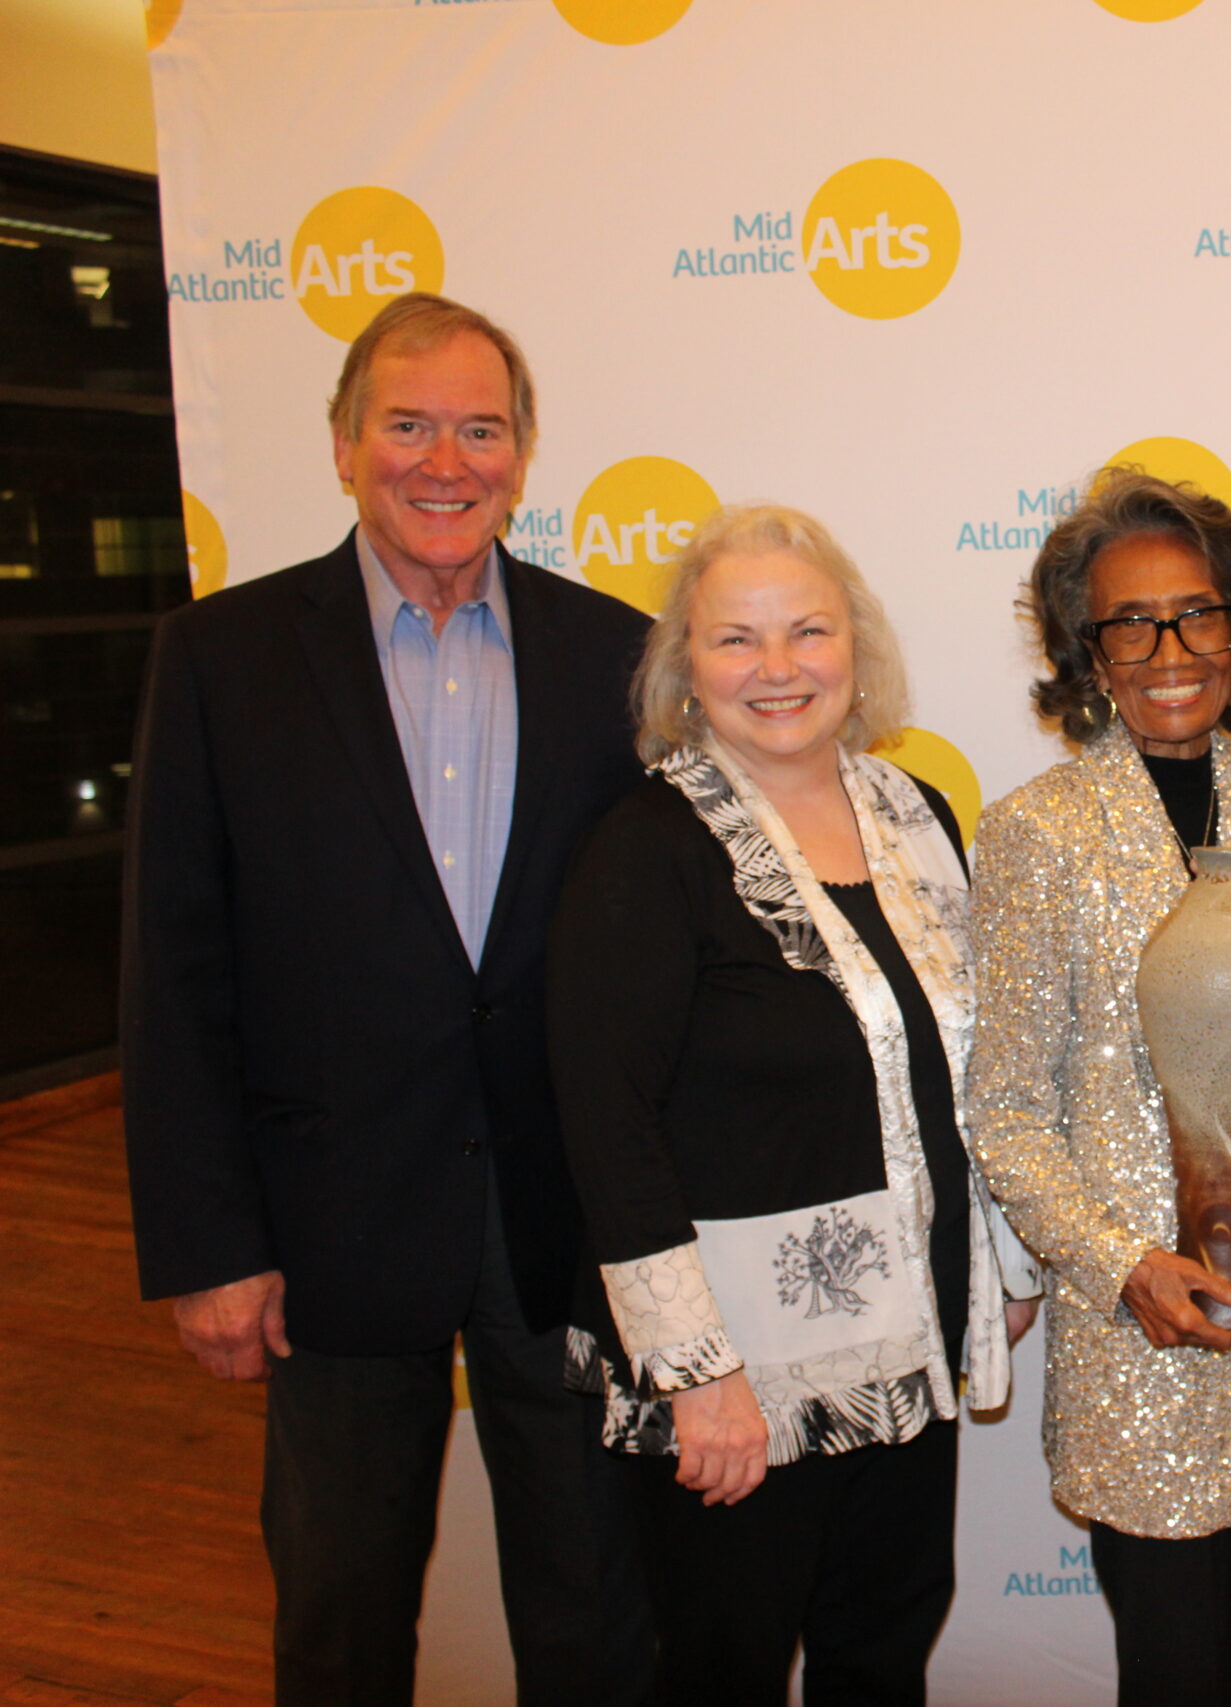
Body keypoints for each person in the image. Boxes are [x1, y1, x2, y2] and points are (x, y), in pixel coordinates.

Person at [119, 292, 652, 1705]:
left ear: (524, 455)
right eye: (408, 423)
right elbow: (174, 971)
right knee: (342, 1618)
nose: (444, 459)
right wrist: (204, 1243)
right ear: (346, 443)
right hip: (329, 1224)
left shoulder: (618, 655)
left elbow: (657, 962)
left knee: (596, 1612)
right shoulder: (222, 657)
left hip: (566, 1223)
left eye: (480, 428)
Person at [545, 504, 1042, 1704]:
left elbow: (957, 1062)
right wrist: (695, 1374)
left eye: (807, 631)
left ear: (854, 649)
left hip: (902, 1350)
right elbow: (603, 1122)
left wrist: (998, 1272)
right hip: (739, 1384)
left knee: (881, 1655)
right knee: (725, 1667)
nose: (777, 669)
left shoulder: (911, 811)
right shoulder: (647, 846)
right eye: (736, 641)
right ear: (684, 668)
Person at [966, 468, 1231, 1707]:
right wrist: (1115, 1262)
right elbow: (1006, 1109)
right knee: (1176, 1677)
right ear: (1087, 654)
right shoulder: (1037, 830)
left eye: (1195, 614)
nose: (1167, 650)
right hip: (1142, 1323)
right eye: (1127, 624)